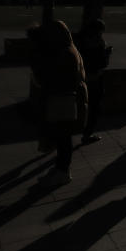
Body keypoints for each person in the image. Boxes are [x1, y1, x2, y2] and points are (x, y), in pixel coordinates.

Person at [31, 21, 88, 187]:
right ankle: (61, 169)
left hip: (63, 100)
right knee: (63, 137)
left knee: (63, 138)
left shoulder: (64, 53)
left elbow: (52, 79)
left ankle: (63, 171)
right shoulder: (67, 49)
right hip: (66, 99)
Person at [75, 19, 111, 145]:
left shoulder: (79, 41)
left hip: (81, 78)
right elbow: (102, 63)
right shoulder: (99, 43)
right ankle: (87, 134)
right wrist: (107, 53)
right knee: (94, 107)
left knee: (82, 105)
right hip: (95, 78)